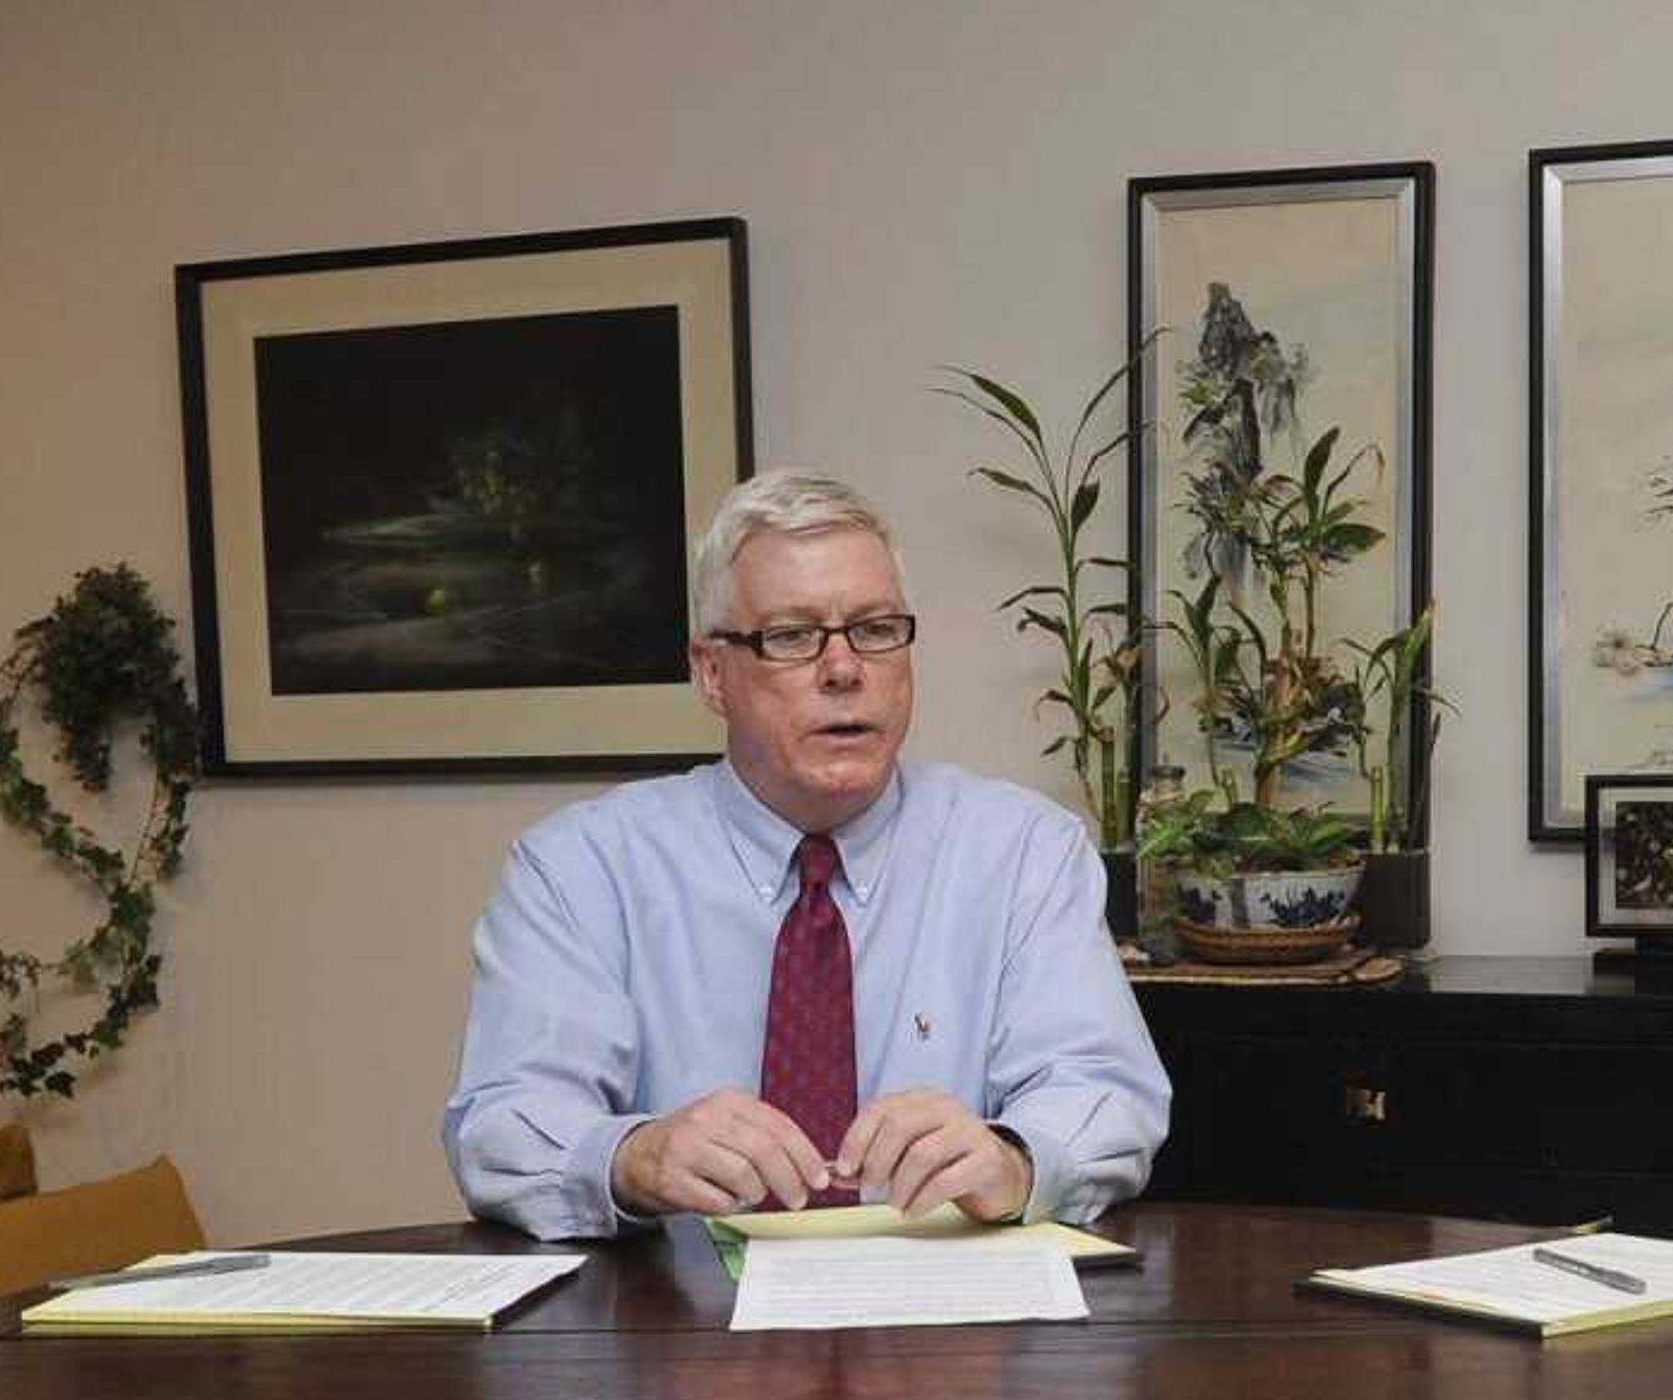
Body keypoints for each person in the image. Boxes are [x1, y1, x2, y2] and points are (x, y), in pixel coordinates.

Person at [446, 468, 1168, 1237]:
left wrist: (1017, 1160)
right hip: (672, 1329)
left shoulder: (1025, 853)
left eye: (876, 629)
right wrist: (630, 1156)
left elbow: (1104, 1092)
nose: (845, 668)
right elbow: (504, 1122)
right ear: (712, 674)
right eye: (792, 636)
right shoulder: (580, 871)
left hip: (953, 1329)